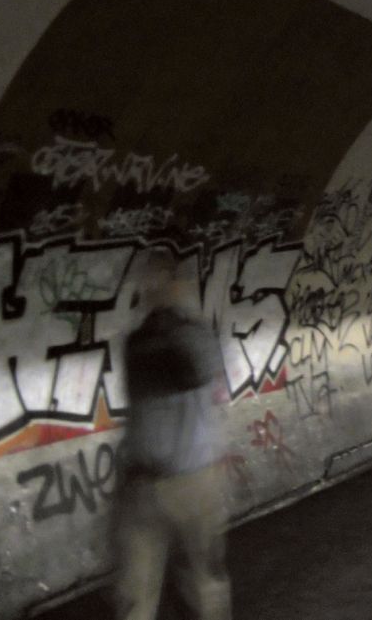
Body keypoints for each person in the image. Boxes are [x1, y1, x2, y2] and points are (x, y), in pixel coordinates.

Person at [114, 262, 231, 620]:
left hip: (167, 480)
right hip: (175, 481)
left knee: (155, 588)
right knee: (190, 581)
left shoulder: (147, 341)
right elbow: (214, 385)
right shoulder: (182, 337)